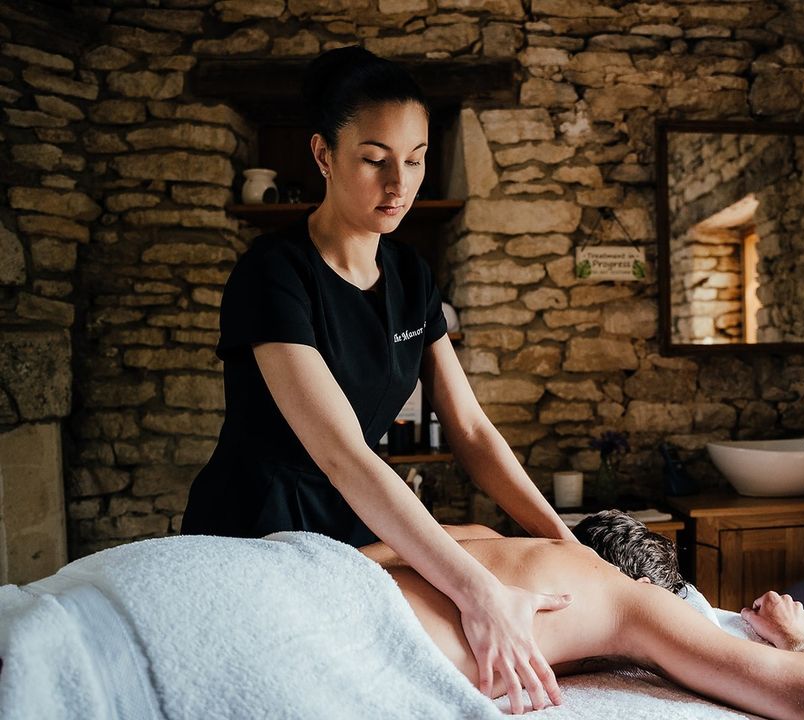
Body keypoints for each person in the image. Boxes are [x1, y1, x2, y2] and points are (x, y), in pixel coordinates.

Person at [181, 44, 575, 707]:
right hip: (261, 524)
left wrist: (564, 541)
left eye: (415, 160)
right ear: (323, 154)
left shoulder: (412, 276)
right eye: (374, 160)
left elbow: (471, 431)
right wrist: (478, 592)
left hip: (356, 518)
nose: (399, 184)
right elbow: (342, 454)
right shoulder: (273, 273)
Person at [363, 523, 804, 719]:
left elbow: (360, 552)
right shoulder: (631, 598)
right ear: (652, 586)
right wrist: (795, 636)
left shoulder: (479, 536)